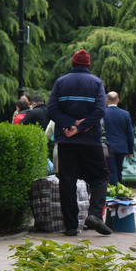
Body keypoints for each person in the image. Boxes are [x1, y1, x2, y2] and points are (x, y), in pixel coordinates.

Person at [46, 49, 113, 237]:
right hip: (90, 140)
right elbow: (100, 110)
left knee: (67, 180)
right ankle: (94, 215)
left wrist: (69, 125)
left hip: (65, 139)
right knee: (100, 176)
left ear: (73, 64)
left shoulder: (60, 82)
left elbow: (51, 110)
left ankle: (71, 226)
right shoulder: (96, 83)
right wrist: (82, 126)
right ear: (88, 65)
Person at [104, 91, 134, 187]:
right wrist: (130, 150)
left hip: (107, 147)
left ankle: (113, 192)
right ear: (118, 101)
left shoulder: (102, 113)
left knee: (111, 170)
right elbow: (129, 133)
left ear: (106, 100)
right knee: (119, 170)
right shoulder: (125, 114)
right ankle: (120, 190)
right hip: (121, 147)